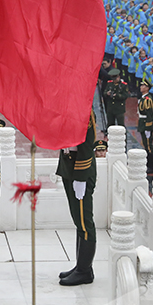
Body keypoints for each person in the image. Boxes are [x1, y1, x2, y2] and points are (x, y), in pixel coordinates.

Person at [57, 113, 98, 287]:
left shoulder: (84, 109)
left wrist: (80, 176)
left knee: (84, 222)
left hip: (80, 169)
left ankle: (84, 271)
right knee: (78, 220)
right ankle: (81, 266)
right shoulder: (69, 106)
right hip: (69, 166)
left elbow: (88, 143)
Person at [136, 79, 153, 177]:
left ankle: (151, 166)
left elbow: (149, 114)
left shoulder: (147, 99)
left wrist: (148, 127)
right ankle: (148, 164)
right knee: (145, 144)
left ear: (147, 88)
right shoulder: (143, 98)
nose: (141, 87)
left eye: (143, 86)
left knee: (148, 145)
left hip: (145, 124)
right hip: (142, 123)